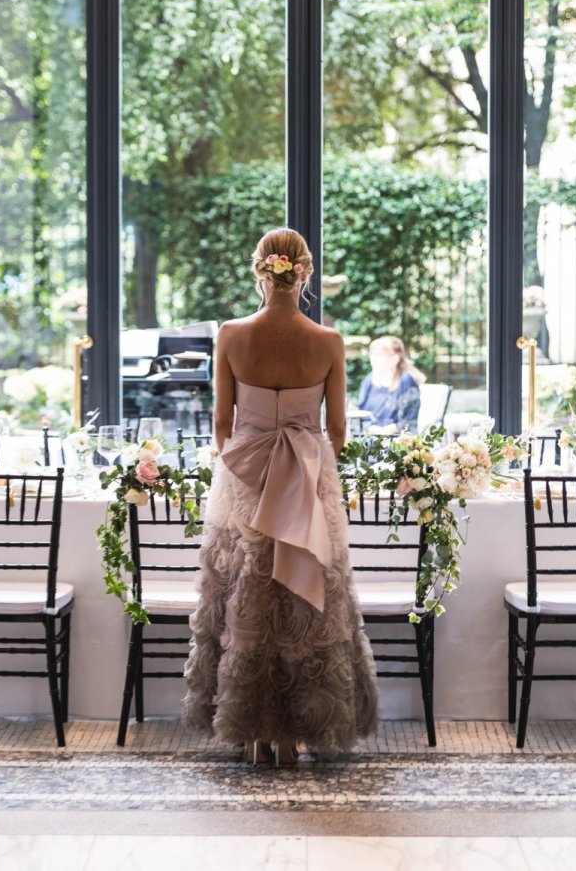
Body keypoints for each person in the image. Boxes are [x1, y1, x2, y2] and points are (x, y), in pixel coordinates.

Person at [181, 227, 378, 763]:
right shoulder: (328, 342)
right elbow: (336, 428)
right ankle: (295, 735)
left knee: (245, 591)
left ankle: (251, 735)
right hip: (309, 477)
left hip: (244, 477)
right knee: (305, 593)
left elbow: (223, 421)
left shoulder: (231, 333)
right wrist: (306, 460)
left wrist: (244, 464)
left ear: (260, 270)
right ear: (305, 272)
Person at [356, 335, 425, 434]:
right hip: (369, 438)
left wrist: (386, 430)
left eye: (379, 355)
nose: (373, 358)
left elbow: (409, 421)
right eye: (372, 354)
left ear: (395, 359)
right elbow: (360, 411)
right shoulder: (369, 379)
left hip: (396, 441)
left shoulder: (406, 381)